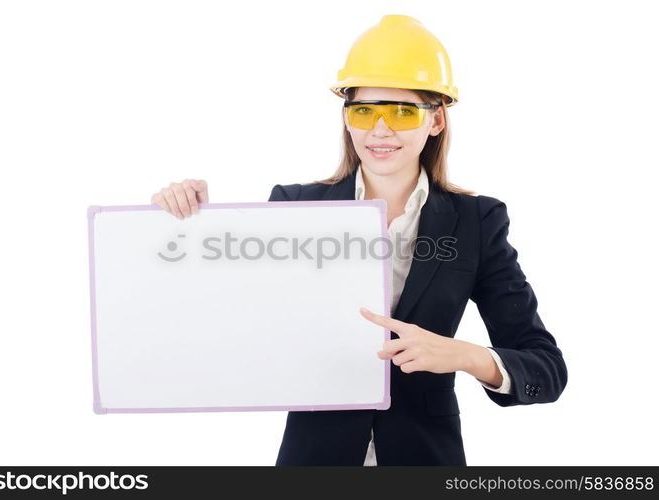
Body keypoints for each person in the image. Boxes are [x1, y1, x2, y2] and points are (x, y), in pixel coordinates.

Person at [150, 14, 568, 466]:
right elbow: (235, 323)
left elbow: (545, 367)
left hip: (426, 458)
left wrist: (462, 355)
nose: (380, 130)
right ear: (346, 117)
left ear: (436, 120)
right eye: (364, 110)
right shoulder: (295, 207)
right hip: (315, 459)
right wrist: (195, 225)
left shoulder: (477, 221)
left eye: (402, 111)